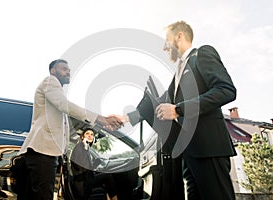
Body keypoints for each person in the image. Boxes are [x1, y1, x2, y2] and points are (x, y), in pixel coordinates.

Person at [116, 21, 237, 200]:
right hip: (188, 153)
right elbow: (158, 104)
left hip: (209, 148)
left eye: (166, 41)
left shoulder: (202, 54)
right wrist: (125, 118)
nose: (165, 48)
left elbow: (226, 90)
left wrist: (179, 110)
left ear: (179, 36)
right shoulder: (178, 74)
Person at [17, 59, 122, 200]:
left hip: (46, 154)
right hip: (42, 152)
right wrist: (99, 118)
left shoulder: (56, 96)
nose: (68, 72)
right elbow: (64, 105)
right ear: (53, 70)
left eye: (69, 70)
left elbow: (66, 125)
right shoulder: (50, 81)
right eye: (64, 69)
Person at [70, 128, 119, 200]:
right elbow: (82, 166)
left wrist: (96, 163)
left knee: (106, 181)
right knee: (107, 177)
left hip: (86, 180)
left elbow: (86, 167)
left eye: (92, 134)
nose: (90, 136)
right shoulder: (80, 147)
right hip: (83, 184)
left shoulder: (85, 148)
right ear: (82, 137)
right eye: (87, 134)